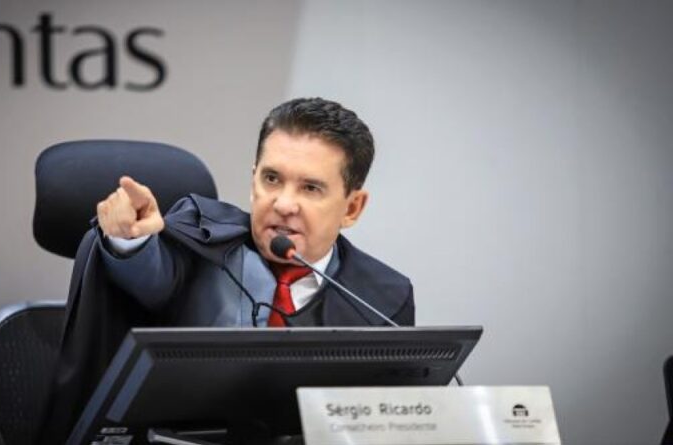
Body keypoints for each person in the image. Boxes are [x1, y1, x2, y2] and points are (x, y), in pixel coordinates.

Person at [38, 97, 415, 443]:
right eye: (271, 179)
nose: (283, 204)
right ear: (253, 181)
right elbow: (151, 277)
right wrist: (130, 240)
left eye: (310, 188)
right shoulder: (199, 243)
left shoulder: (382, 300)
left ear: (352, 208)